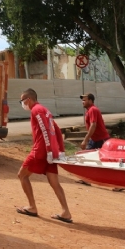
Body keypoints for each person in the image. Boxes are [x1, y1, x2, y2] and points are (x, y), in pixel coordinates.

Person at [15, 88, 73, 223]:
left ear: (28, 100)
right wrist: (60, 150)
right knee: (54, 183)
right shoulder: (45, 110)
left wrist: (48, 150)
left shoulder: (36, 110)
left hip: (41, 151)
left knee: (22, 175)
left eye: (22, 101)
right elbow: (56, 129)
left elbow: (46, 131)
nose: (22, 104)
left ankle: (32, 207)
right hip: (50, 151)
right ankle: (66, 212)